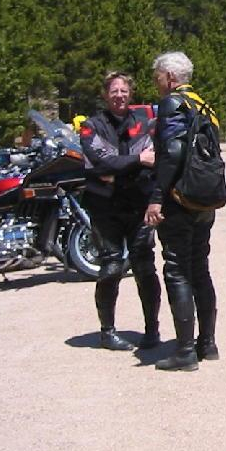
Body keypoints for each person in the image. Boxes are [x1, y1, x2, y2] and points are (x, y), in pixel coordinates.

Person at [144, 51, 219, 371]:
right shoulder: (202, 104)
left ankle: (185, 351)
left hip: (179, 199)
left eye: (158, 76)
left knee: (176, 269)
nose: (156, 82)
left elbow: (173, 151)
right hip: (205, 197)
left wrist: (157, 196)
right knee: (200, 267)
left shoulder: (172, 104)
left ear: (170, 77)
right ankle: (207, 343)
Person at [79, 72, 163, 351]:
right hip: (105, 207)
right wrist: (138, 160)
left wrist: (119, 166)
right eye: (114, 91)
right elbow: (100, 164)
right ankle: (108, 332)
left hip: (139, 205)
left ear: (131, 94)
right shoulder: (91, 126)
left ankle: (152, 329)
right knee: (111, 267)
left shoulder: (144, 122)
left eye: (123, 91)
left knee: (145, 267)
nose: (119, 96)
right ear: (105, 95)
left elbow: (155, 160)